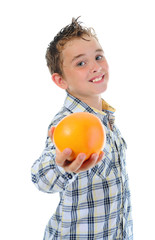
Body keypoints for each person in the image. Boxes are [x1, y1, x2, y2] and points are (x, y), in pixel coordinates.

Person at [31, 17, 133, 240]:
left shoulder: (105, 118)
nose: (96, 67)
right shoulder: (66, 124)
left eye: (98, 57)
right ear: (60, 81)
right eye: (81, 63)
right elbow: (41, 178)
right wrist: (61, 167)